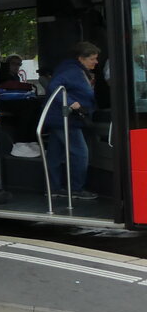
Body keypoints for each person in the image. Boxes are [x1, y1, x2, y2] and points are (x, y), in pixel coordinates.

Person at [43, 41, 100, 200]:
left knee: (55, 154)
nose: (96, 62)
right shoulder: (71, 71)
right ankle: (76, 188)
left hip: (58, 118)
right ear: (81, 58)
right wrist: (70, 102)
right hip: (66, 119)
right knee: (81, 153)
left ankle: (53, 188)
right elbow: (53, 86)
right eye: (92, 59)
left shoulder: (72, 69)